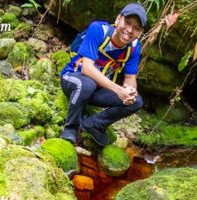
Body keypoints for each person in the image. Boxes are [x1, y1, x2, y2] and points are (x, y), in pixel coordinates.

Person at [58, 3, 146, 148]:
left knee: (136, 101)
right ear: (118, 19)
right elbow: (87, 68)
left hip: (97, 90)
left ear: (140, 32)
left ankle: (94, 124)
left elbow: (130, 79)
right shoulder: (98, 29)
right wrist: (118, 90)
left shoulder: (134, 47)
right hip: (73, 79)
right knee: (87, 84)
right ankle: (70, 128)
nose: (129, 30)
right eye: (127, 23)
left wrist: (130, 92)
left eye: (136, 28)